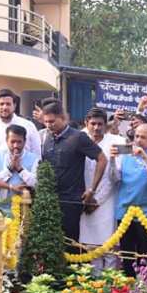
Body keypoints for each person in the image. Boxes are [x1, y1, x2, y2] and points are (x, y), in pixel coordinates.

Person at [40, 100, 106, 244]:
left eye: (52, 121)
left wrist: (92, 189)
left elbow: (102, 159)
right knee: (50, 243)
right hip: (50, 200)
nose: (49, 125)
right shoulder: (46, 137)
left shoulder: (78, 137)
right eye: (46, 122)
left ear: (63, 118)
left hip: (71, 201)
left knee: (70, 244)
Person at [109, 123, 147, 276]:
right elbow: (114, 179)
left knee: (144, 253)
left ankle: (143, 285)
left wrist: (145, 158)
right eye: (137, 136)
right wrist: (112, 160)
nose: (139, 140)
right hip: (124, 211)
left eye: (143, 137)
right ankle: (127, 283)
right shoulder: (124, 156)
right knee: (126, 254)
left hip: (145, 213)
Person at [79, 108, 125, 270]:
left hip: (107, 200)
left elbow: (116, 177)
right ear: (86, 123)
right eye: (93, 124)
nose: (96, 128)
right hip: (85, 200)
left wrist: (97, 199)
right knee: (91, 248)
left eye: (100, 124)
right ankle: (94, 282)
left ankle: (110, 282)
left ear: (106, 125)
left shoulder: (116, 142)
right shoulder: (80, 140)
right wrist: (87, 199)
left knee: (109, 247)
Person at [0, 124, 39, 215]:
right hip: (0, 211)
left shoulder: (34, 159)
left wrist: (20, 170)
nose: (16, 146)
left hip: (26, 210)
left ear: (25, 141)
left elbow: (36, 183)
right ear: (6, 140)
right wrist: (9, 169)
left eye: (19, 142)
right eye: (12, 142)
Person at [0, 88, 41, 156]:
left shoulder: (28, 126)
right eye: (1, 104)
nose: (5, 107)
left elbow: (37, 153)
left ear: (14, 105)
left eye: (8, 104)